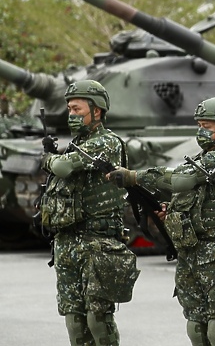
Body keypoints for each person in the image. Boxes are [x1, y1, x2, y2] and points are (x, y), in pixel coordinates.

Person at [108, 97, 215, 346]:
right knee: (196, 327)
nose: (201, 131)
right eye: (199, 125)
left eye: (207, 126)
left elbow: (180, 179)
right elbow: (194, 197)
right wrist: (172, 213)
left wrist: (134, 176)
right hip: (193, 251)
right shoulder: (202, 158)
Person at [39, 80, 139, 346]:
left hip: (97, 242)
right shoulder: (77, 144)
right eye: (69, 109)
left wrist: (48, 159)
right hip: (67, 241)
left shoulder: (106, 142)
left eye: (77, 109)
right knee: (74, 318)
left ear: (97, 110)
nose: (72, 115)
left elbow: (63, 167)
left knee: (98, 318)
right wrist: (54, 154)